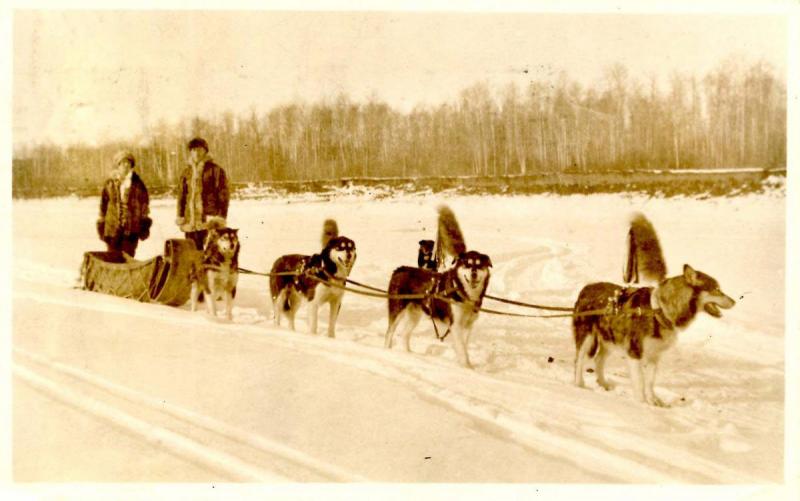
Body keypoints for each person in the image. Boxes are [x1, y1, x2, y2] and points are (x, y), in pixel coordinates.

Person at [176, 137, 230, 251]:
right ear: (190, 152)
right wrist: (180, 215)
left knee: (209, 254)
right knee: (192, 254)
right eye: (194, 150)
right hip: (190, 222)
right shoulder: (186, 172)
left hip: (209, 221)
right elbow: (182, 196)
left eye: (200, 149)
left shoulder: (215, 170)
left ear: (205, 151)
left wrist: (220, 217)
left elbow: (223, 195)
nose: (197, 153)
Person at [97, 150, 151, 258]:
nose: (125, 166)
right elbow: (103, 205)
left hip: (131, 229)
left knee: (128, 258)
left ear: (131, 166)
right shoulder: (109, 183)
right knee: (112, 258)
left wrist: (144, 224)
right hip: (112, 229)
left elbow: (144, 205)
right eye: (123, 163)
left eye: (128, 163)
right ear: (118, 165)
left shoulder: (138, 184)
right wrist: (102, 224)